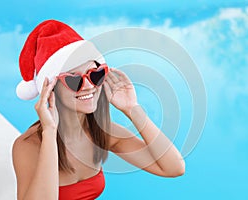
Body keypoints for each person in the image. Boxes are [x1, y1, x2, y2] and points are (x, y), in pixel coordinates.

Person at [12, 19, 185, 200]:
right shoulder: (28, 146)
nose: (88, 86)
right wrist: (49, 132)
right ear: (51, 88)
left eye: (95, 75)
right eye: (74, 80)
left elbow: (174, 167)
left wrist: (132, 109)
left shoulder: (100, 132)